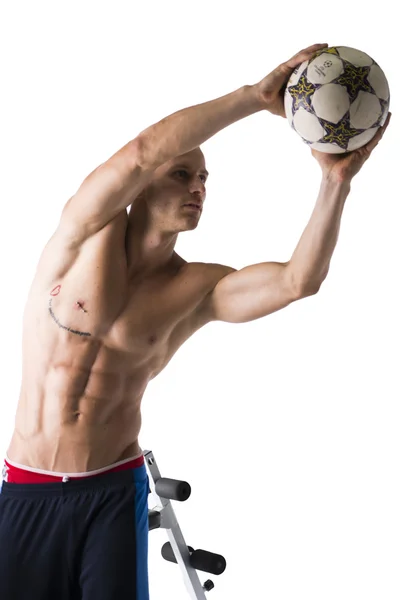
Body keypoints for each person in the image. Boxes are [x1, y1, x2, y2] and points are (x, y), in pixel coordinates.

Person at [0, 42, 391, 600]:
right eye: (182, 173)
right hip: (28, 488)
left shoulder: (196, 288)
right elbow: (139, 151)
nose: (198, 188)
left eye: (205, 180)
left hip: (113, 488)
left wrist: (336, 183)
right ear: (142, 187)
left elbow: (297, 281)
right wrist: (254, 99)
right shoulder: (83, 233)